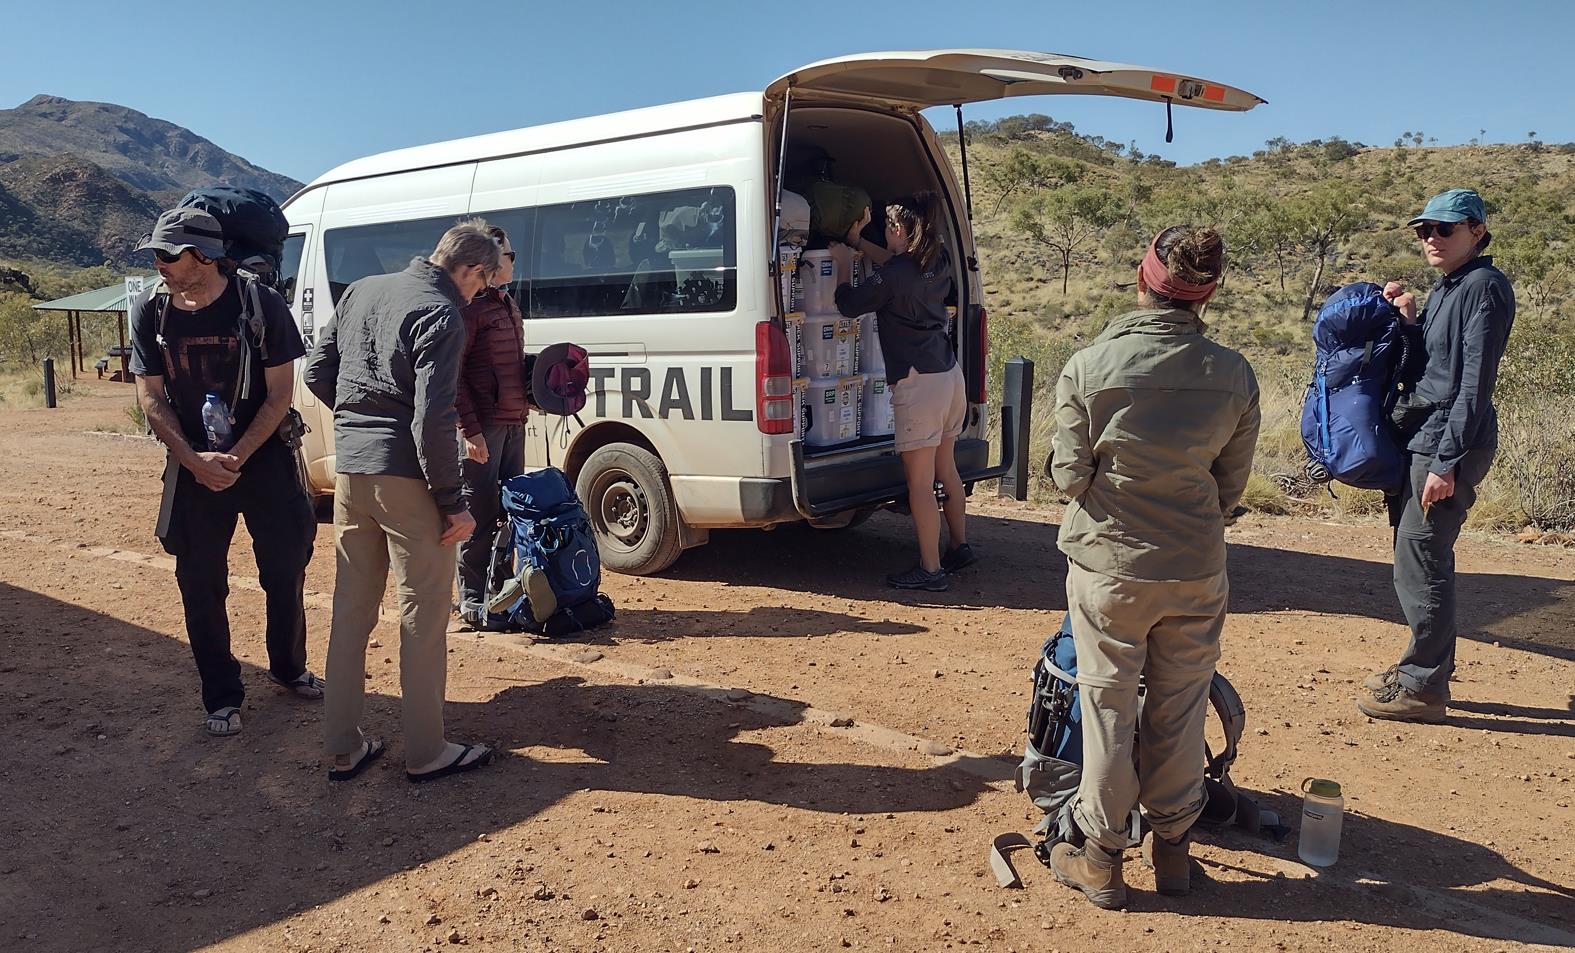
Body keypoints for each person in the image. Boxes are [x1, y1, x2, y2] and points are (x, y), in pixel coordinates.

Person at [1045, 226, 1260, 909]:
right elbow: (1230, 487)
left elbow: (1066, 476)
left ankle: (1101, 855)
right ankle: (1172, 849)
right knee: (1178, 705)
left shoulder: (1088, 365)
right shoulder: (1234, 373)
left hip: (1109, 564)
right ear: (1207, 292)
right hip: (1195, 565)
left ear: (1142, 279)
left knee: (1107, 704)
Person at [304, 219, 500, 782]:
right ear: (468, 269)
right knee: (423, 612)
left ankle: (342, 747)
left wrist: (359, 419)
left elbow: (320, 371)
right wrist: (453, 501)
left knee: (351, 612)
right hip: (407, 481)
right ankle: (426, 751)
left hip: (353, 474)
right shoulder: (442, 313)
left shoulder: (362, 288)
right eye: (481, 284)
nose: (479, 294)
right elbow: (432, 417)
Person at [129, 207, 321, 737]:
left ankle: (288, 668)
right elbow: (149, 395)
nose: (159, 265)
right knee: (199, 581)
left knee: (285, 571)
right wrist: (193, 459)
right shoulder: (151, 310)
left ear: (204, 257)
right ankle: (221, 695)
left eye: (168, 255)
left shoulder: (261, 305)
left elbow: (281, 395)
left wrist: (236, 455)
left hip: (266, 462)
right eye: (156, 255)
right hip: (193, 465)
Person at [1358, 189, 1515, 724]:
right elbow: (1433, 365)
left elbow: (1475, 383)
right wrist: (1408, 322)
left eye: (1444, 230)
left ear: (1476, 230)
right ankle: (1419, 673)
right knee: (1414, 562)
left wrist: (1447, 461)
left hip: (1447, 441)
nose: (1431, 239)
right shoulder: (1449, 287)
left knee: (1422, 564)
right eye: (1424, 230)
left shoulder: (1485, 288)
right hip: (1422, 436)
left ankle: (1423, 688)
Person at [833, 192, 974, 591]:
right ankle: (960, 547)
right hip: (949, 376)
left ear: (897, 230)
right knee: (947, 468)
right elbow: (894, 266)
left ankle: (930, 570)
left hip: (919, 384)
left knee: (919, 483)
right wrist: (861, 244)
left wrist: (844, 266)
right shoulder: (938, 258)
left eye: (888, 227)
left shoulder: (895, 275)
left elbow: (850, 304)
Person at [454, 225, 529, 627]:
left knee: (510, 512)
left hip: (512, 422)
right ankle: (471, 598)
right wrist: (471, 431)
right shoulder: (471, 309)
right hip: (483, 427)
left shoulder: (506, 304)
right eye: (509, 256)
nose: (514, 263)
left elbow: (508, 366)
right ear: (490, 263)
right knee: (479, 512)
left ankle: (501, 594)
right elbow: (455, 376)